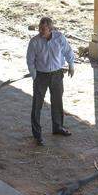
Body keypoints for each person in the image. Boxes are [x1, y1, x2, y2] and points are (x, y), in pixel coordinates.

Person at [26, 16, 76, 146]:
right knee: (37, 104)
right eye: (40, 29)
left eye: (44, 29)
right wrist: (34, 75)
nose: (41, 31)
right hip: (41, 75)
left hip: (57, 74)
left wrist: (71, 65)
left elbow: (68, 51)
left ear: (51, 29)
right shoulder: (34, 42)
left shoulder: (59, 38)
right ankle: (37, 134)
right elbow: (30, 60)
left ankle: (58, 127)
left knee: (57, 101)